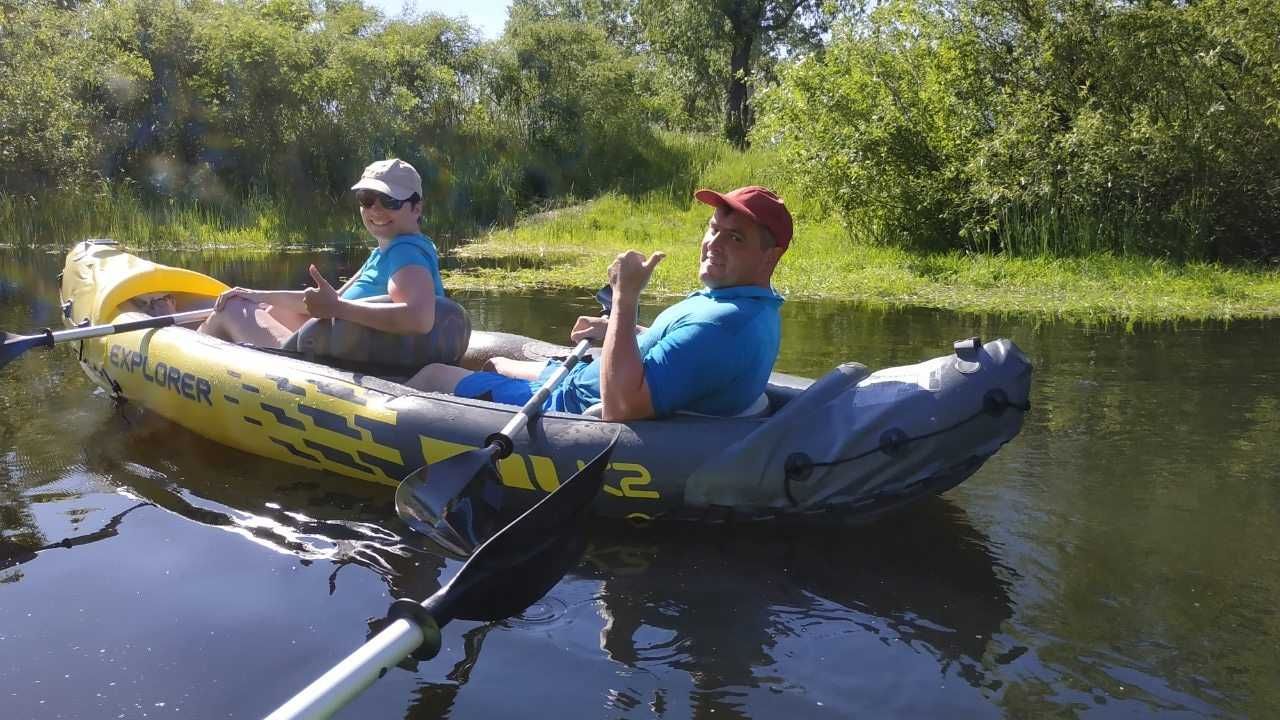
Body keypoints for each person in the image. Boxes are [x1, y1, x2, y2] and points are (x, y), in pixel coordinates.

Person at [407, 185, 792, 421]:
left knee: (431, 376)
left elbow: (621, 406)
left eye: (735, 238)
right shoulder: (740, 304)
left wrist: (624, 299)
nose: (714, 244)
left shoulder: (722, 325)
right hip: (578, 380)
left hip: (568, 405)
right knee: (493, 361)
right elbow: (676, 345)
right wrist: (616, 330)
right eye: (713, 229)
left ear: (769, 257)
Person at [199, 159, 445, 347]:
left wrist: (338, 309)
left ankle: (184, 362)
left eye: (390, 201)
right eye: (367, 199)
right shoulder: (388, 251)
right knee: (273, 310)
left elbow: (419, 318)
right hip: (344, 351)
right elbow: (326, 301)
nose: (376, 210)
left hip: (336, 367)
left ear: (416, 208)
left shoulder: (405, 252)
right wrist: (256, 295)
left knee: (232, 310)